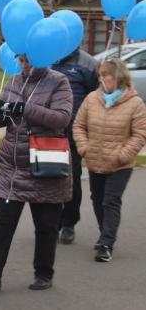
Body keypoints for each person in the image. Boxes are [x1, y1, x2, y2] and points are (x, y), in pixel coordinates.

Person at [0, 54, 72, 292]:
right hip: (12, 164)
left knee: (46, 225)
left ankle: (44, 273)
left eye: (29, 59)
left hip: (44, 161)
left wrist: (26, 108)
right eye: (21, 60)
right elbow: (0, 122)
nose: (25, 65)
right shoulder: (14, 80)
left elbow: (62, 118)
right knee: (3, 221)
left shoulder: (59, 81)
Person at [72, 58, 146, 262]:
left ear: (118, 77)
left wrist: (123, 154)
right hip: (95, 159)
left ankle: (106, 243)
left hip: (120, 164)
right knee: (97, 200)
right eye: (100, 75)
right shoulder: (91, 99)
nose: (101, 78)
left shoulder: (135, 102)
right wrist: (85, 148)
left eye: (106, 74)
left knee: (110, 201)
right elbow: (78, 126)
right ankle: (105, 231)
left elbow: (140, 134)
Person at [52, 48, 98, 244]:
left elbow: (95, 96)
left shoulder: (87, 62)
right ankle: (52, 222)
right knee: (48, 178)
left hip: (73, 133)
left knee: (72, 179)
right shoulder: (46, 56)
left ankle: (69, 222)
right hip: (47, 132)